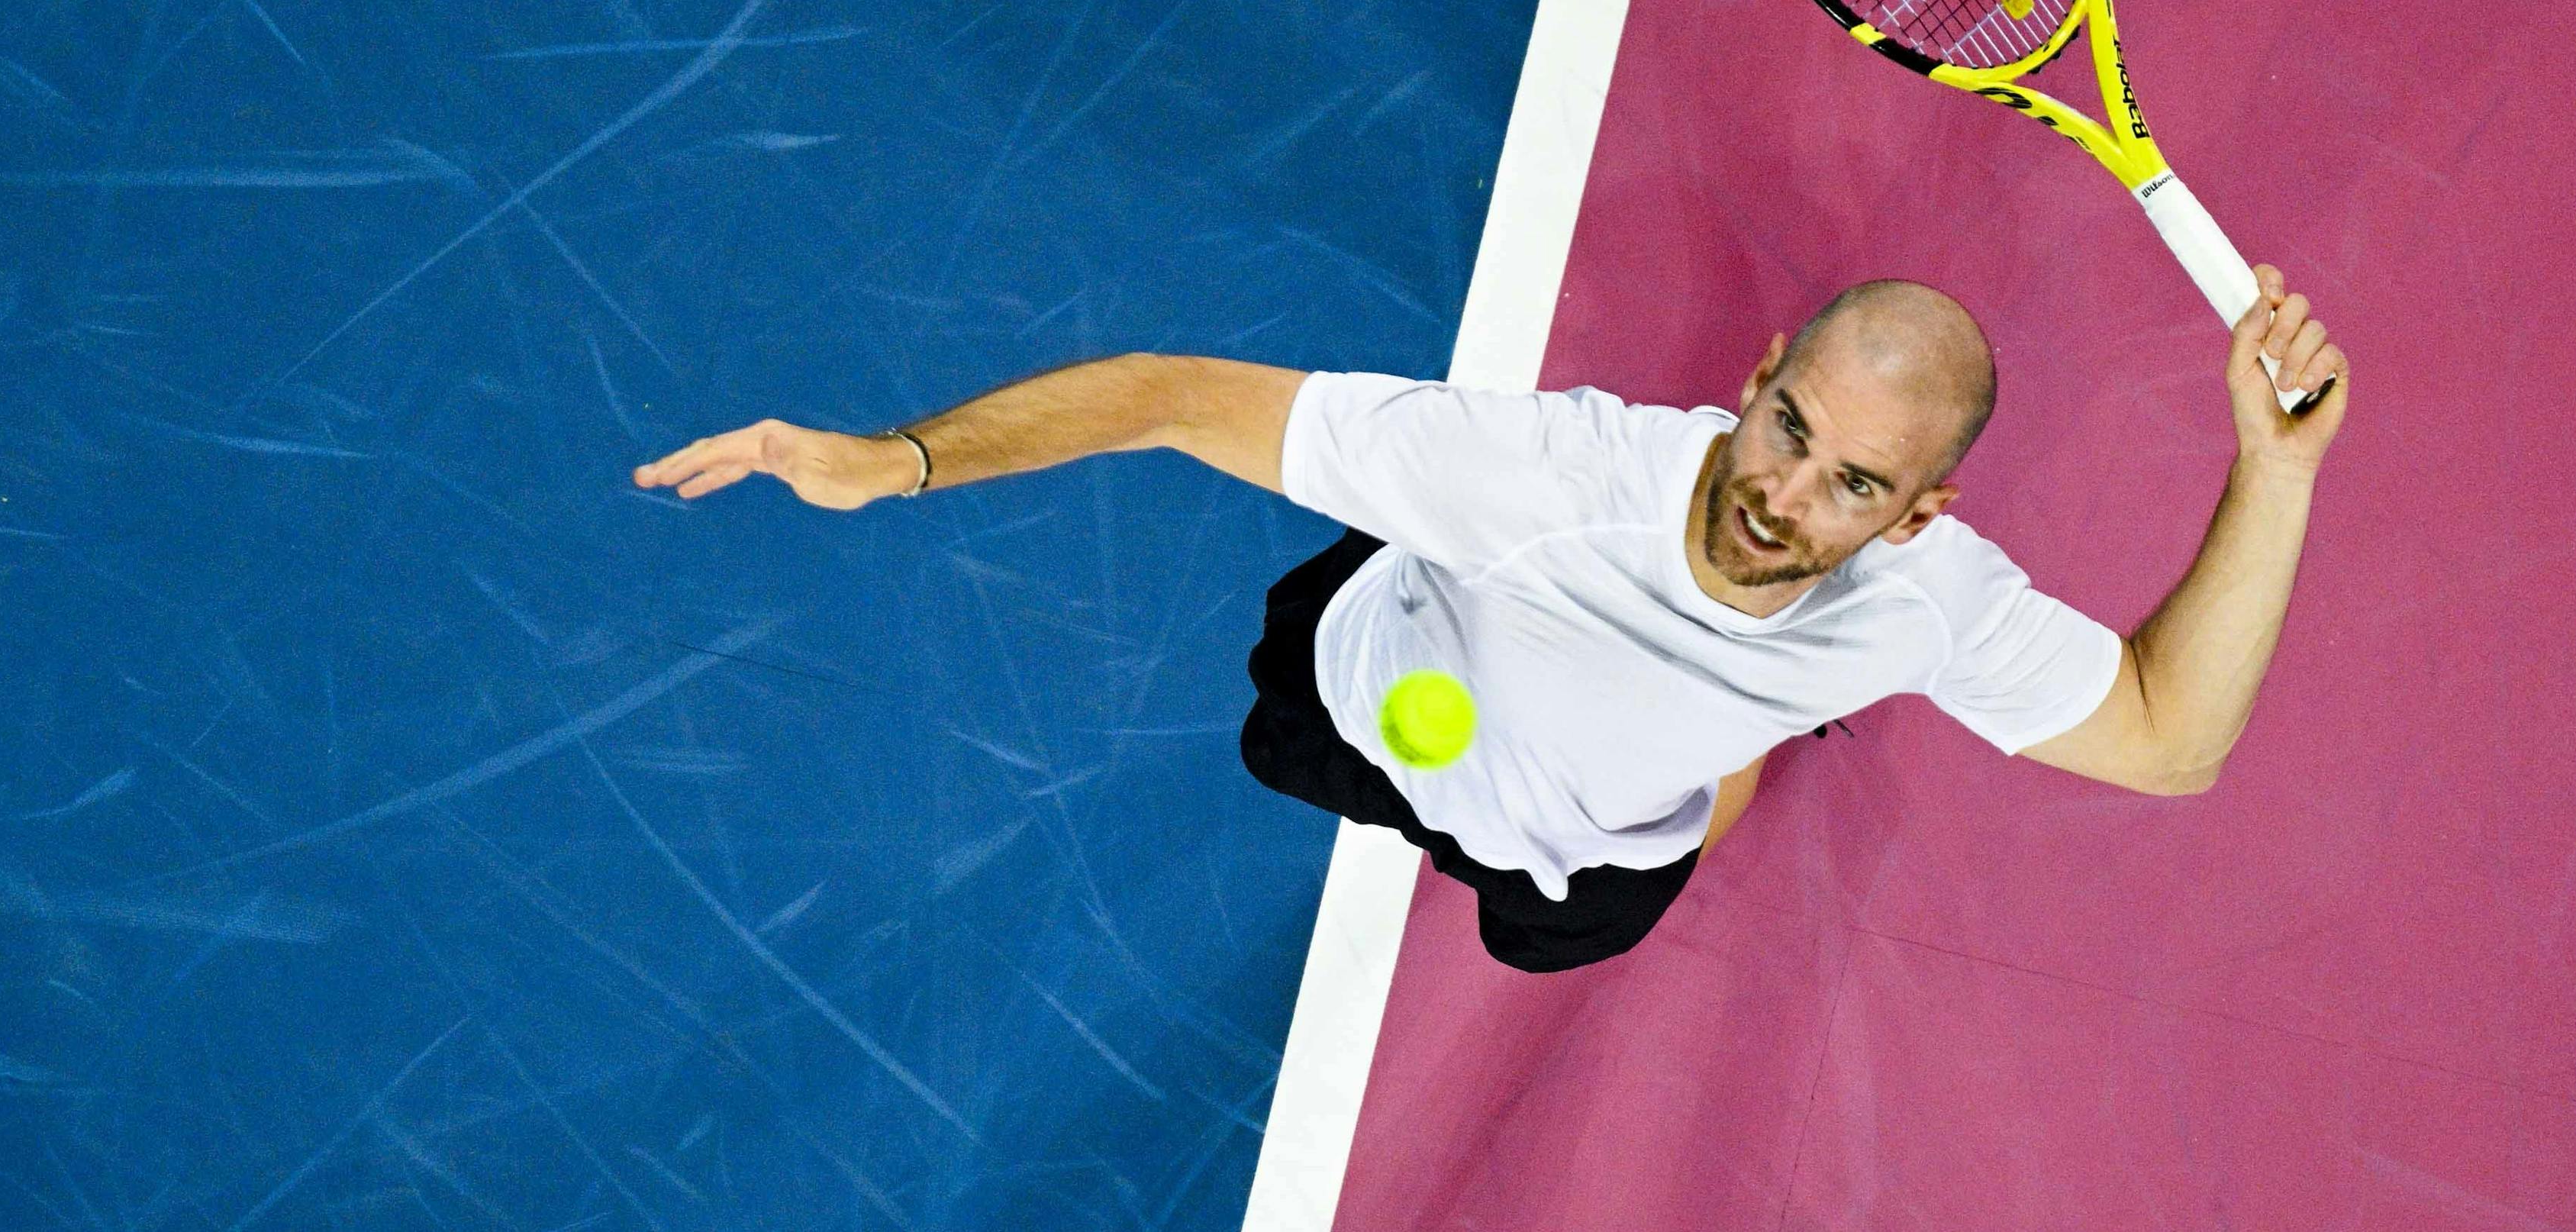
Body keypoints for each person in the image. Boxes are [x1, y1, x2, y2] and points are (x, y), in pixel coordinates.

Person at [633, 269, 2349, 973]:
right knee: (1274, 731)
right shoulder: (1536, 478)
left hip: (1599, 856)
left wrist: (2274, 475)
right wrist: (895, 460)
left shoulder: (1927, 605)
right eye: (1787, 429)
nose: (1781, 494)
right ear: (1751, 384)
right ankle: (1738, 735)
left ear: (1922, 517)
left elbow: (2169, 737)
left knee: (1534, 947)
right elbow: (1163, 394)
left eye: (1849, 488)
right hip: (1375, 697)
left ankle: (1742, 750)